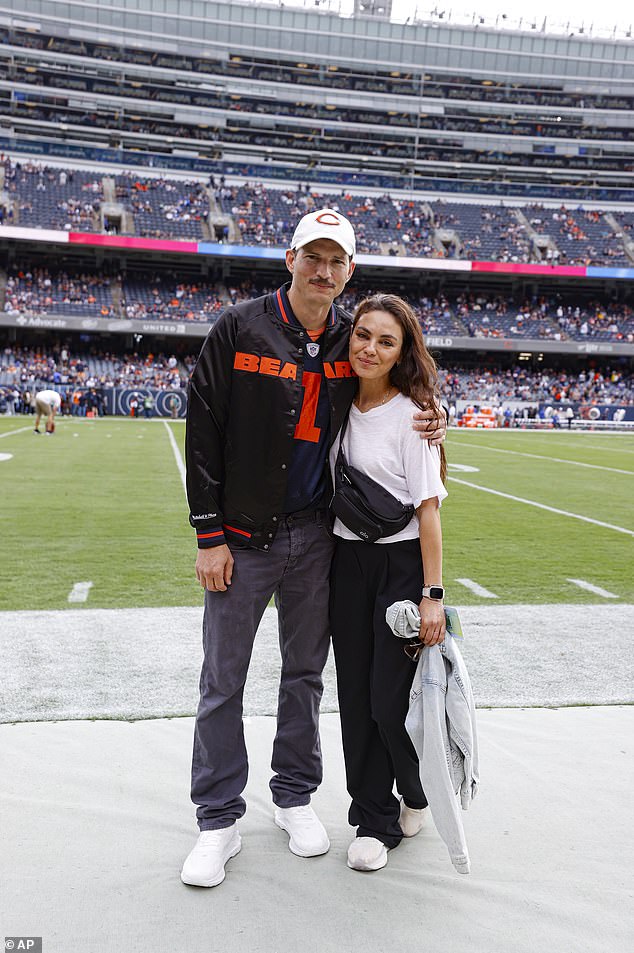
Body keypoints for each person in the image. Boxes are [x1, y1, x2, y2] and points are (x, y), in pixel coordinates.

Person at [182, 208, 446, 888]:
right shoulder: (238, 326)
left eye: (336, 261)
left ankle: (293, 794)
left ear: (348, 271)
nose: (323, 270)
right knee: (224, 680)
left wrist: (433, 410)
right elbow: (203, 430)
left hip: (315, 535)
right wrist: (208, 533)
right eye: (313, 256)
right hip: (241, 537)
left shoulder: (347, 339)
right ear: (290, 257)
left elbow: (394, 381)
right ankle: (217, 818)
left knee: (305, 675)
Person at [328, 294, 447, 873]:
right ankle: (373, 818)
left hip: (399, 568)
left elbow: (428, 510)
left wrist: (432, 595)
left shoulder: (413, 416)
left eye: (386, 341)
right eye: (363, 335)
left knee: (386, 703)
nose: (369, 349)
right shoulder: (333, 400)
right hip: (343, 565)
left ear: (402, 353)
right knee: (354, 699)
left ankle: (414, 790)